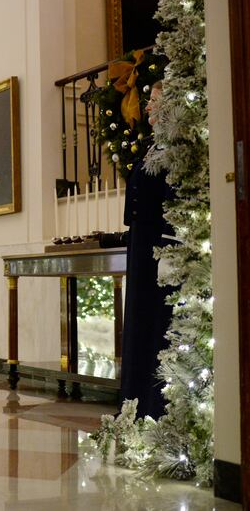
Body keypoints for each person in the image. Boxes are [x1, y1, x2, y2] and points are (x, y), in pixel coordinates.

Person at [120, 80, 176, 420]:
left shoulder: (175, 149)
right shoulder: (151, 147)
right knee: (138, 320)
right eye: (149, 100)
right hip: (140, 244)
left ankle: (153, 408)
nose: (149, 106)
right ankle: (133, 405)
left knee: (154, 321)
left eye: (155, 100)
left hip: (158, 245)